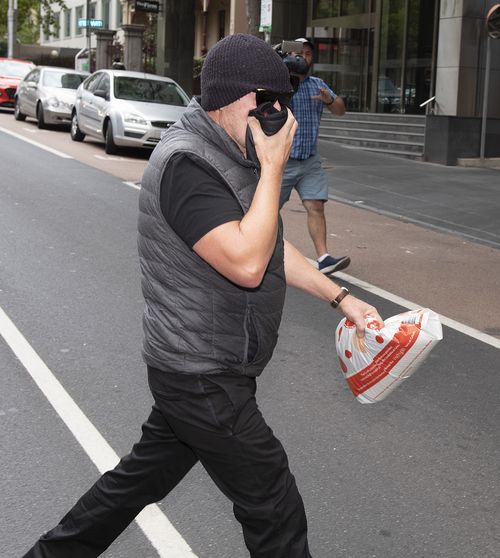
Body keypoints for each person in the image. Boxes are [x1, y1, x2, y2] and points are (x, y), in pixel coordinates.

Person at [22, 34, 382, 558]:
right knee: (273, 504)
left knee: (134, 485)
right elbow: (247, 262)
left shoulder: (230, 154)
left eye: (282, 101)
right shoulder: (188, 165)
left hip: (201, 371)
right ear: (235, 98)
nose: (278, 113)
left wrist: (340, 298)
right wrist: (276, 165)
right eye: (269, 101)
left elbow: (270, 244)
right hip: (202, 376)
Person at [280, 37, 349, 276]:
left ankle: (323, 258)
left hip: (309, 160)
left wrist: (329, 100)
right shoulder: (277, 83)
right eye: (298, 53)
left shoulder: (318, 84)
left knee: (315, 205)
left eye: (307, 54)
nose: (303, 58)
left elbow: (340, 109)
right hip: (281, 160)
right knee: (266, 208)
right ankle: (257, 248)